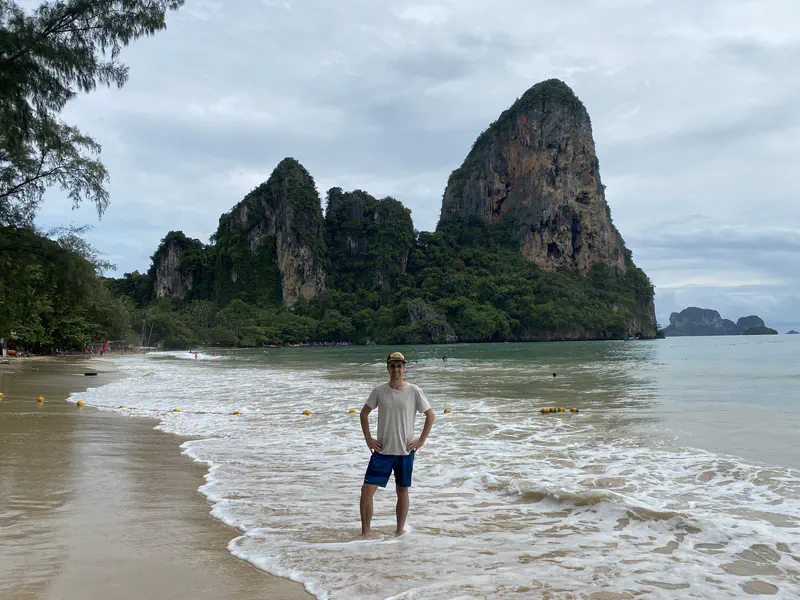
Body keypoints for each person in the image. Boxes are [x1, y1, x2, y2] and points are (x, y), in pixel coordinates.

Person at [359, 351, 435, 537]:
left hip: (405, 451)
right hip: (382, 451)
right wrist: (369, 439)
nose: (396, 369)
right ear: (388, 369)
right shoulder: (379, 390)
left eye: (399, 366)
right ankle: (365, 533)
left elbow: (430, 415)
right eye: (392, 366)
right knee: (367, 490)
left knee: (402, 490)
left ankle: (399, 531)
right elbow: (363, 414)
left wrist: (421, 441)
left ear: (404, 368)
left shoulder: (414, 391)